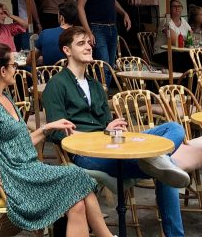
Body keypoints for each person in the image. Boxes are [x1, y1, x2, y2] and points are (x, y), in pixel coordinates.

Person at [0, 43, 112, 237]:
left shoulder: (5, 97)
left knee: (77, 204)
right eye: (13, 65)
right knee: (76, 175)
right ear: (2, 71)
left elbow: (20, 144)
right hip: (10, 179)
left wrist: (46, 128)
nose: (17, 69)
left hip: (27, 170)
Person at [42, 27, 190, 237]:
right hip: (86, 155)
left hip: (112, 144)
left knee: (174, 128)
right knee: (169, 168)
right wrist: (99, 134)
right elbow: (56, 133)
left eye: (88, 43)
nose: (88, 47)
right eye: (81, 43)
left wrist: (109, 127)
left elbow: (105, 123)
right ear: (67, 50)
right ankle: (158, 164)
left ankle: (155, 158)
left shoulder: (95, 85)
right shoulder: (56, 85)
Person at [75, 0, 131, 67]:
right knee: (104, 66)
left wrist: (124, 13)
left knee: (110, 66)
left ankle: (102, 83)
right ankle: (100, 83)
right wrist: (88, 31)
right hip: (97, 27)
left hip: (112, 27)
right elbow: (80, 6)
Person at [153, 0, 192, 71]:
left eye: (179, 6)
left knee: (195, 57)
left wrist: (183, 39)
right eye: (174, 6)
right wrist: (185, 39)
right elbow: (175, 42)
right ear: (169, 9)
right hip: (162, 53)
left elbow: (191, 38)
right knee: (185, 59)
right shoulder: (166, 21)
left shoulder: (183, 21)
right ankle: (182, 80)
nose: (177, 8)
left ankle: (193, 80)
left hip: (177, 52)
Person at [37, 1, 79, 66]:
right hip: (73, 74)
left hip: (50, 74)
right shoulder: (79, 35)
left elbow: (30, 60)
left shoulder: (45, 33)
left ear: (61, 17)